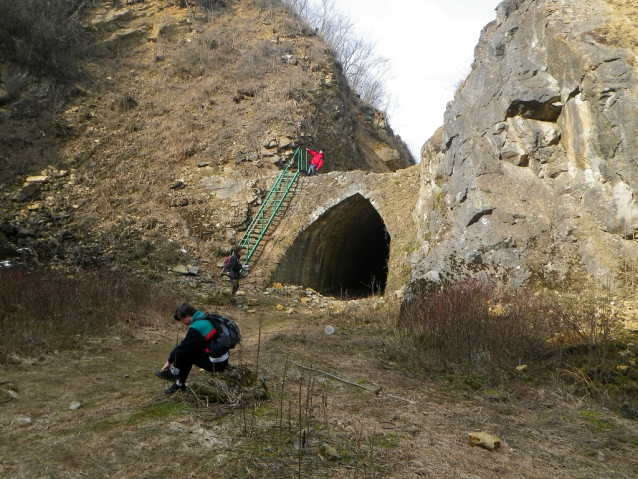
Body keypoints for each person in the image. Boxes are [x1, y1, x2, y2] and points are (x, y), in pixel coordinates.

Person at [155, 303, 230, 394]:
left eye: (181, 319)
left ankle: (175, 376)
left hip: (217, 363)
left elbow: (183, 347)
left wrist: (169, 361)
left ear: (187, 315)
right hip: (222, 358)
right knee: (189, 351)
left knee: (187, 352)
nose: (181, 322)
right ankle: (179, 383)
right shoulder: (204, 317)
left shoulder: (197, 327)